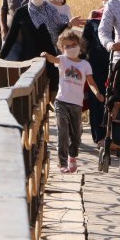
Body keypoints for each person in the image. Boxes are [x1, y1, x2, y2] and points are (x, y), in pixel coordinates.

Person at [0, 0, 84, 95]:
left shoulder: (51, 10)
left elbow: (58, 31)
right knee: (30, 93)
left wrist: (68, 24)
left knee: (51, 92)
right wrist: (0, 58)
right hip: (29, 59)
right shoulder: (21, 13)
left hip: (48, 57)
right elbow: (11, 37)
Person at [41, 30, 103, 174]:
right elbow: (53, 60)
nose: (70, 48)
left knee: (76, 135)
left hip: (77, 105)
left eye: (73, 45)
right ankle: (62, 163)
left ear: (80, 46)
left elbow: (91, 82)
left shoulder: (85, 64)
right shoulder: (62, 60)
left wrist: (97, 93)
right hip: (61, 101)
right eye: (67, 46)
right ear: (62, 49)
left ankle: (72, 156)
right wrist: (46, 55)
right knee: (62, 131)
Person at [82, 0, 120, 143]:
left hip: (118, 63)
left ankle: (117, 135)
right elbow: (85, 41)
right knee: (97, 98)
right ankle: (99, 136)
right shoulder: (94, 16)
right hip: (96, 64)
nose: (107, 2)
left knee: (117, 98)